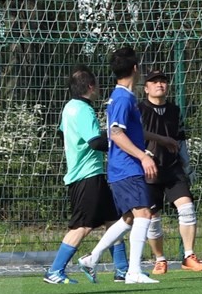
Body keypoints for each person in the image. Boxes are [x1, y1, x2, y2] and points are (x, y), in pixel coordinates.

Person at [78, 46, 177, 284]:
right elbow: (116, 134)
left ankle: (92, 258)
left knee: (129, 219)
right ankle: (133, 271)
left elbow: (131, 130)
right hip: (126, 167)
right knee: (144, 213)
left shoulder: (125, 97)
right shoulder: (122, 97)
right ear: (135, 69)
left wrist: (160, 139)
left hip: (122, 168)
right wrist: (143, 157)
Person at [43, 64, 129, 284]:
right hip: (86, 176)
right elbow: (94, 142)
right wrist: (119, 144)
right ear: (91, 86)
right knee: (82, 226)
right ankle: (55, 271)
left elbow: (66, 135)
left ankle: (122, 270)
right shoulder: (84, 109)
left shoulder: (69, 107)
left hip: (91, 175)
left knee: (114, 222)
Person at [139, 70, 202, 274]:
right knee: (153, 218)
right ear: (146, 88)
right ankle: (160, 260)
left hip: (172, 168)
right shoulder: (138, 109)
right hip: (148, 170)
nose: (159, 84)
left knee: (187, 208)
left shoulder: (174, 110)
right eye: (154, 81)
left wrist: (187, 166)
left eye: (163, 81)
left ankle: (189, 256)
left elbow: (180, 139)